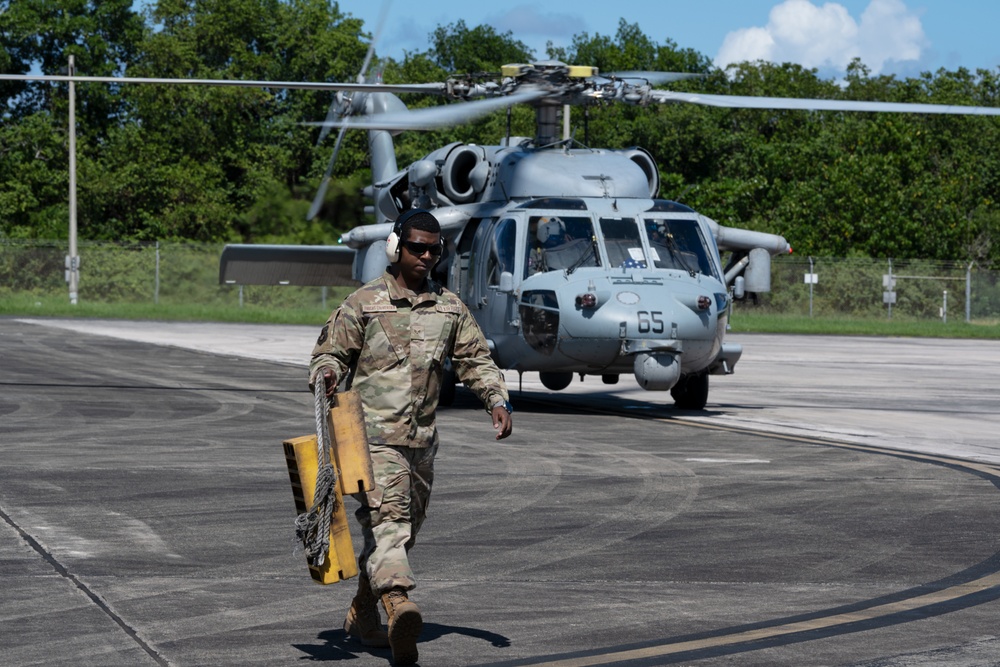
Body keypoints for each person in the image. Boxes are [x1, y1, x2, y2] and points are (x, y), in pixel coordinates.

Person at [309, 208, 513, 666]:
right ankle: (399, 605)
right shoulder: (365, 303)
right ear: (395, 247)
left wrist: (496, 401)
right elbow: (329, 353)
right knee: (390, 524)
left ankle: (363, 614)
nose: (425, 256)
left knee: (403, 533)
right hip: (369, 442)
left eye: (433, 250)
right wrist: (325, 375)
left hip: (421, 443)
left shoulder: (449, 307)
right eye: (417, 247)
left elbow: (476, 361)